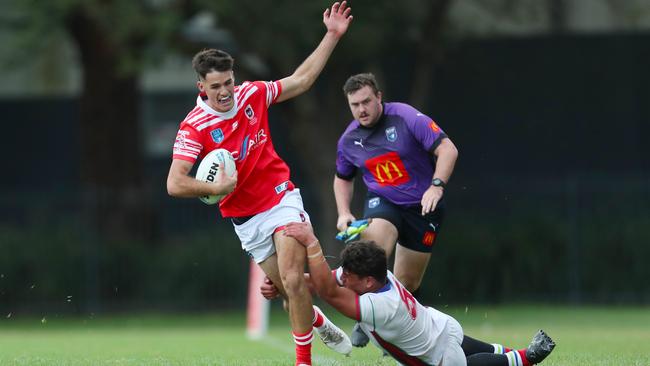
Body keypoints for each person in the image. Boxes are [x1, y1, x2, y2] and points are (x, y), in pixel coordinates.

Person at [166, 3, 353, 365]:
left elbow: (300, 80)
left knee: (293, 282)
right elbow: (174, 183)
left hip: (280, 197)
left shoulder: (252, 94)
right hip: (244, 218)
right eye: (216, 86)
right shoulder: (194, 127)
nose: (225, 92)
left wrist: (331, 35)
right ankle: (316, 319)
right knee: (286, 290)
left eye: (228, 83)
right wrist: (216, 189)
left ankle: (303, 361)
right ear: (201, 87)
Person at [263, 221, 555, 366]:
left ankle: (527, 356)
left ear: (366, 282)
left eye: (348, 276)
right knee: (484, 349)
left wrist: (312, 244)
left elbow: (326, 289)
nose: (343, 278)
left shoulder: (382, 306)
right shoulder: (378, 277)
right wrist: (285, 283)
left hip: (440, 355)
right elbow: (321, 281)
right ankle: (512, 351)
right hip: (440, 326)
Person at [333, 72, 458, 346]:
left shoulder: (405, 116)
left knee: (406, 283)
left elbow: (448, 149)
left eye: (366, 101)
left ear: (379, 97)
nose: (361, 110)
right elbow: (343, 178)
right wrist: (344, 212)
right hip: (383, 202)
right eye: (355, 105)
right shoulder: (349, 140)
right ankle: (363, 319)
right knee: (374, 254)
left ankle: (393, 337)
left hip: (424, 207)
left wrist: (436, 186)